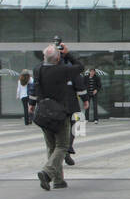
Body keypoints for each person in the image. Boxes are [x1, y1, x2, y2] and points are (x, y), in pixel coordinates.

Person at [33, 44, 88, 190]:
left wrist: (32, 104)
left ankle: (58, 180)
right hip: (60, 113)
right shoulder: (63, 70)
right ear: (58, 58)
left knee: (51, 146)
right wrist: (67, 54)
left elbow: (36, 86)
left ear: (45, 57)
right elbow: (80, 66)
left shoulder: (37, 69)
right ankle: (47, 173)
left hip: (43, 113)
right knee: (62, 145)